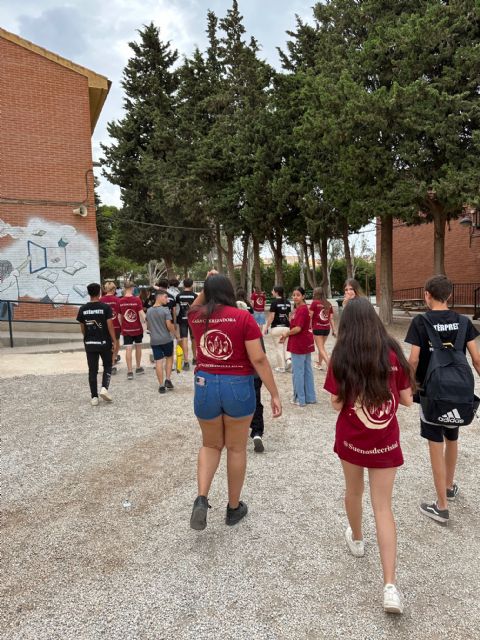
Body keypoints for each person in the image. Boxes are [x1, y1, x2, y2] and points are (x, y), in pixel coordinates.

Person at [324, 297, 413, 614]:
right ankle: (390, 586)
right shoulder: (391, 353)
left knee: (353, 491)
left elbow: (336, 403)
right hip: (385, 441)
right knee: (383, 507)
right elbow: (406, 401)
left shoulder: (342, 355)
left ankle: (358, 540)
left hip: (352, 440)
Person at [188, 272, 282, 530]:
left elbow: (194, 304)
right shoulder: (243, 317)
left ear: (206, 293)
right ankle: (232, 507)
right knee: (237, 448)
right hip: (237, 385)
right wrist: (274, 393)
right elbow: (259, 359)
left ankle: (201, 498)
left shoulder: (196, 316)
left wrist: (207, 284)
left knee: (210, 445)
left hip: (205, 383)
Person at [405, 275, 480, 524]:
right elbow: (477, 359)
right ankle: (448, 485)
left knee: (435, 442)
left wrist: (408, 383)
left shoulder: (420, 321)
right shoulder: (462, 321)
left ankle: (441, 506)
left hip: (431, 392)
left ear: (427, 294)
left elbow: (414, 359)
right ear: (449, 296)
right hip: (458, 392)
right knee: (452, 436)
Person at [76, 282, 116, 406]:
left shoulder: (83, 309)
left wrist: (86, 337)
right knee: (108, 365)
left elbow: (82, 328)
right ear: (99, 292)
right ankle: (104, 388)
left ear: (88, 293)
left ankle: (94, 397)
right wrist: (114, 340)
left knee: (92, 370)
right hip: (104, 342)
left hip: (90, 343)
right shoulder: (105, 308)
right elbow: (110, 325)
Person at [279, 286, 316, 406]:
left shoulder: (301, 309)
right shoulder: (301, 309)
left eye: (298, 295)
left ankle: (299, 398)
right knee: (306, 370)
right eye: (294, 295)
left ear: (303, 296)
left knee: (298, 372)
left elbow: (298, 328)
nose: (295, 297)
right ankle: (309, 397)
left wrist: (286, 333)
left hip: (299, 344)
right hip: (304, 343)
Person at [146, 289, 177, 394]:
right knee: (169, 358)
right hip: (166, 339)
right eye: (165, 297)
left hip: (154, 340)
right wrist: (176, 334)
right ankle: (168, 379)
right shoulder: (165, 310)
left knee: (158, 361)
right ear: (158, 297)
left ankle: (161, 385)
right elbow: (169, 325)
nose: (167, 300)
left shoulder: (149, 311)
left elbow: (149, 327)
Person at [118, 281, 146, 380]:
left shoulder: (120, 301)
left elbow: (119, 317)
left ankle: (130, 371)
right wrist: (148, 323)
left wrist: (122, 326)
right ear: (132, 288)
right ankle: (138, 367)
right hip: (137, 328)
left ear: (124, 288)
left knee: (128, 349)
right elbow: (142, 314)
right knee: (138, 347)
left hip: (126, 329)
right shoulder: (137, 300)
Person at [263, 285, 292, 373]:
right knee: (286, 346)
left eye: (272, 291)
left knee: (279, 347)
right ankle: (288, 360)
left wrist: (266, 328)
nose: (272, 292)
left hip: (277, 328)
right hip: (287, 327)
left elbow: (272, 316)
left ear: (276, 292)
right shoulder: (287, 302)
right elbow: (290, 316)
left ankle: (281, 367)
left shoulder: (274, 303)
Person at [310, 287, 335, 370]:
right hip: (326, 328)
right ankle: (319, 364)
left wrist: (309, 327)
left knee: (320, 348)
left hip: (317, 328)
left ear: (315, 293)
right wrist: (334, 330)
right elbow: (331, 318)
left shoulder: (314, 303)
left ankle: (330, 366)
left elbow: (310, 316)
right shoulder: (328, 303)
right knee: (322, 347)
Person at [176, 278, 198, 370]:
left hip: (182, 319)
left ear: (183, 285)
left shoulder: (179, 296)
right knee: (194, 339)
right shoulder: (194, 296)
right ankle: (195, 358)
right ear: (192, 285)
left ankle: (185, 361)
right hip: (192, 320)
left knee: (184, 339)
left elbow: (176, 309)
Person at [100, 281, 121, 373]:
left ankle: (107, 362)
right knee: (116, 344)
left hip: (104, 326)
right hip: (115, 325)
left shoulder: (101, 300)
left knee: (106, 345)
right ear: (113, 289)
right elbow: (120, 315)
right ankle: (112, 361)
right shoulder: (117, 300)